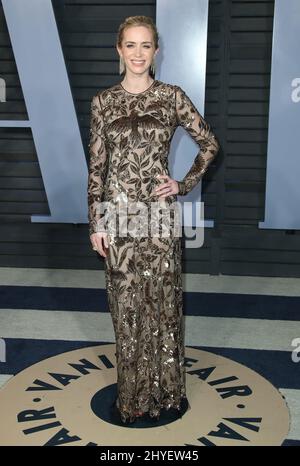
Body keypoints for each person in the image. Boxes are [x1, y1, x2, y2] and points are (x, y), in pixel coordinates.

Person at [87, 15, 220, 424]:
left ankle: (165, 394)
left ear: (156, 51)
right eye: (131, 45)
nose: (138, 53)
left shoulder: (172, 97)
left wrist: (182, 184)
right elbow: (96, 168)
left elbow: (209, 144)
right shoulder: (103, 102)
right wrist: (97, 222)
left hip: (159, 220)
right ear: (119, 49)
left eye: (146, 45)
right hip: (120, 220)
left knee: (162, 305)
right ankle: (133, 396)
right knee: (125, 307)